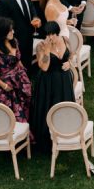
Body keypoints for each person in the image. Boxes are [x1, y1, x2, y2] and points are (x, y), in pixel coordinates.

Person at [30, 21, 75, 152]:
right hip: (47, 82)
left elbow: (71, 54)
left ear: (57, 33)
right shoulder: (41, 46)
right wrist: (48, 51)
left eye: (53, 34)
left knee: (64, 105)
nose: (51, 38)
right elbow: (44, 67)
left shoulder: (65, 40)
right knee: (48, 107)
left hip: (64, 81)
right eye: (48, 35)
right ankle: (47, 140)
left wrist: (69, 63)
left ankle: (66, 134)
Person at [0, 16, 32, 124]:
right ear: (2, 32)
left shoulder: (14, 41)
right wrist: (4, 86)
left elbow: (18, 59)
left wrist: (24, 73)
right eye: (9, 30)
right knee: (12, 113)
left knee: (26, 107)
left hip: (20, 79)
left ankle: (26, 133)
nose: (13, 32)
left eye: (12, 29)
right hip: (5, 86)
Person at [0, 0, 41, 71]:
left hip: (30, 32)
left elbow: (30, 5)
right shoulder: (3, 0)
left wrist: (35, 17)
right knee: (20, 63)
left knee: (28, 58)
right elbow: (3, 24)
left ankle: (28, 76)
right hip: (17, 37)